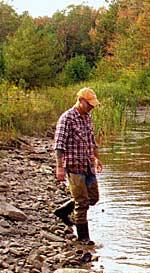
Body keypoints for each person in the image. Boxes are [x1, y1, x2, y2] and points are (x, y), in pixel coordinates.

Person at [53, 87, 103, 245]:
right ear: (81, 101)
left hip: (87, 165)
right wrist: (60, 167)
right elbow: (59, 145)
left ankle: (63, 211)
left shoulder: (87, 117)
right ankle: (83, 237)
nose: (92, 107)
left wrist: (96, 158)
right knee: (82, 203)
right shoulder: (66, 118)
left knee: (93, 198)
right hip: (74, 166)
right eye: (89, 104)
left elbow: (91, 139)